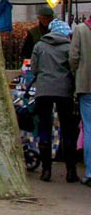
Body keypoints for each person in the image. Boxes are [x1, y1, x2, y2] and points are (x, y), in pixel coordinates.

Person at [31, 18, 77, 182]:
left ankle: (46, 170)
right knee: (67, 129)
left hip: (43, 91)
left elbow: (34, 68)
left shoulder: (39, 46)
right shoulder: (68, 47)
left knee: (44, 128)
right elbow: (73, 67)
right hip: (64, 91)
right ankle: (71, 171)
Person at [70, 15, 91, 186]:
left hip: (86, 85)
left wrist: (75, 73)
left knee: (89, 128)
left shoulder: (81, 30)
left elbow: (74, 57)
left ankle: (90, 172)